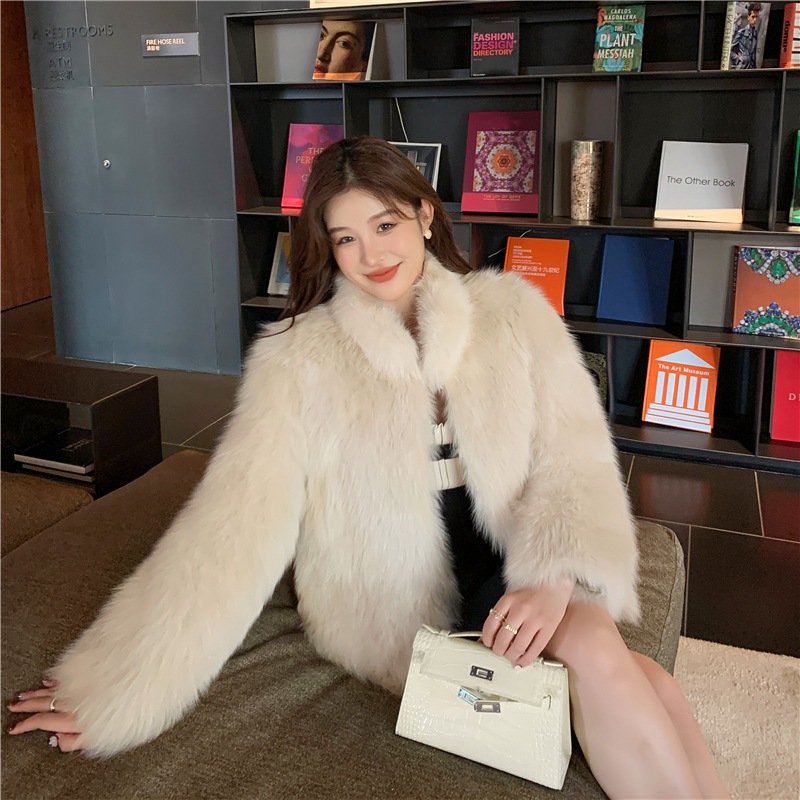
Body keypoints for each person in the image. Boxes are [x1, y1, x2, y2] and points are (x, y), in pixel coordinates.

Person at [8, 137, 729, 799]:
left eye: (385, 225)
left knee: (636, 671)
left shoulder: (512, 310)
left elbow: (574, 454)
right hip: (395, 604)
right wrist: (117, 688)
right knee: (610, 656)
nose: (370, 254)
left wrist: (554, 576)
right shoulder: (300, 360)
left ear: (423, 215)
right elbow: (230, 531)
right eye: (346, 237)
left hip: (518, 558)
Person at [730, 2, 763, 69]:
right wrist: (738, 58)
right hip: (742, 66)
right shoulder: (741, 32)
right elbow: (729, 51)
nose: (755, 20)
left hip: (752, 67)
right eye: (753, 17)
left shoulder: (755, 33)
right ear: (748, 17)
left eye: (756, 17)